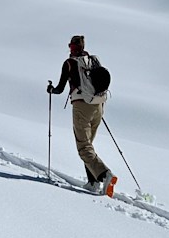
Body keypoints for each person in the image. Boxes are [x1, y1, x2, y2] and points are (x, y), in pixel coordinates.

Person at [47, 35, 117, 196]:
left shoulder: (69, 63)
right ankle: (93, 182)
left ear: (72, 47)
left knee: (83, 147)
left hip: (81, 106)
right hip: (98, 105)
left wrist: (50, 89)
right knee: (88, 145)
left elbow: (59, 89)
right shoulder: (94, 60)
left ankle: (105, 174)